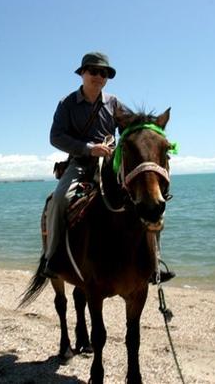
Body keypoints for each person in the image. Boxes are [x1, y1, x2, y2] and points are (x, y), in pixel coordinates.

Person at [42, 51, 175, 284]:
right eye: (93, 71)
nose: (98, 76)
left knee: (148, 199)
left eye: (103, 73)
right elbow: (56, 137)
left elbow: (132, 128)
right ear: (82, 73)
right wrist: (88, 148)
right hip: (81, 164)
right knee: (61, 199)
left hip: (111, 163)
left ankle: (153, 264)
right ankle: (53, 259)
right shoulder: (67, 104)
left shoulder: (113, 103)